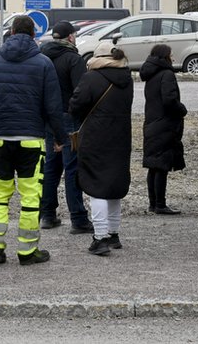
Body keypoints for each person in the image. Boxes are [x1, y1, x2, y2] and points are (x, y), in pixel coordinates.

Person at [0, 15, 65, 266]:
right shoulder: (43, 63)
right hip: (31, 140)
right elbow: (53, 106)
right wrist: (59, 138)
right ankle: (28, 251)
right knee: (30, 197)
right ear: (33, 35)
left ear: (12, 31)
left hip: (0, 139)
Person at [69, 41, 134, 255]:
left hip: (96, 138)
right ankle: (114, 234)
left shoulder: (91, 78)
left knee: (97, 187)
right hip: (121, 137)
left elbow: (75, 106)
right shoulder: (127, 78)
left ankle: (100, 237)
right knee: (114, 187)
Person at [39, 20, 93, 234]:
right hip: (69, 119)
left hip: (48, 118)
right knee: (72, 168)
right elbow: (80, 92)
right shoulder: (73, 59)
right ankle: (78, 219)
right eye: (74, 34)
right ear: (70, 37)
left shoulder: (42, 58)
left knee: (51, 167)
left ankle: (48, 215)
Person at [139, 44, 186, 216]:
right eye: (170, 54)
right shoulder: (166, 74)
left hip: (151, 123)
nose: (172, 57)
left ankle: (153, 204)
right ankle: (160, 204)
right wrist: (182, 109)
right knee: (161, 166)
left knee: (153, 165)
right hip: (164, 125)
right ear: (165, 56)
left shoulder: (150, 74)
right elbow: (169, 100)